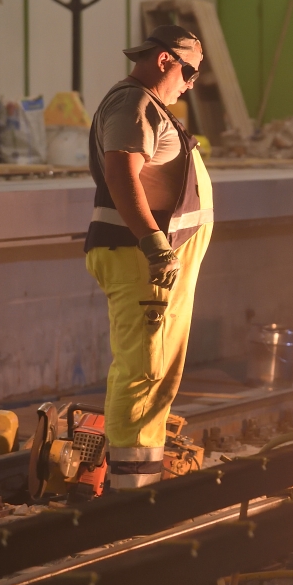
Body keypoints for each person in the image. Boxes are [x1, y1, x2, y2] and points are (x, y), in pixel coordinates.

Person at [84, 25, 213, 492]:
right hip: (142, 258)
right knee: (143, 369)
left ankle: (144, 482)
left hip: (157, 262)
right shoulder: (132, 104)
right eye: (191, 70)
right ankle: (130, 495)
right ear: (165, 61)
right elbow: (123, 173)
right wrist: (153, 242)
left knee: (159, 370)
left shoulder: (151, 107)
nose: (192, 82)